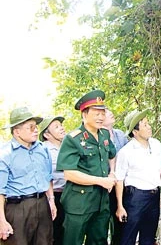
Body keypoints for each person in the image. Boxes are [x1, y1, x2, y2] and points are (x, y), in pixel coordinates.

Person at [56, 90, 117, 245]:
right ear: (84, 114)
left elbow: (112, 154)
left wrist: (112, 173)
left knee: (99, 240)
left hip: (101, 201)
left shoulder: (104, 134)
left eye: (102, 113)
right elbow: (69, 174)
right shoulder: (73, 139)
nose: (101, 117)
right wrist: (101, 181)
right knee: (73, 241)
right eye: (96, 113)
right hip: (79, 203)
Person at [0, 106, 57, 244]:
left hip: (42, 204)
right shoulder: (5, 154)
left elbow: (48, 177)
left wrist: (51, 200)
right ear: (17, 131)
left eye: (36, 126)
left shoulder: (43, 149)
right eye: (31, 127)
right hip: (18, 208)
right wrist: (2, 221)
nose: (36, 129)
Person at [115, 109, 161, 245]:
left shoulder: (156, 144)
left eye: (148, 123)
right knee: (128, 236)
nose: (149, 127)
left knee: (149, 237)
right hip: (135, 198)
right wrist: (120, 206)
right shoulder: (126, 152)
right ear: (135, 132)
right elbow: (119, 180)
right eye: (144, 125)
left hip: (154, 195)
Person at [39, 116, 67, 245]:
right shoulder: (42, 149)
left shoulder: (68, 146)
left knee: (67, 232)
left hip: (69, 195)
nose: (61, 128)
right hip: (53, 195)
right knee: (53, 233)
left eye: (61, 125)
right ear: (46, 134)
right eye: (56, 127)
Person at [103, 108, 129, 245]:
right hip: (104, 186)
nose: (110, 113)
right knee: (102, 224)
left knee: (120, 223)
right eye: (106, 113)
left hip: (120, 185)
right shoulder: (98, 136)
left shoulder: (120, 135)